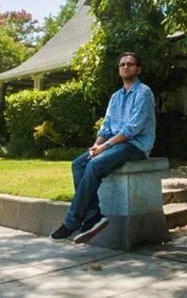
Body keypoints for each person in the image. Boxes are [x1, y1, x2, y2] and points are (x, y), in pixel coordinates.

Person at [50, 51, 156, 244]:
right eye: (122, 64)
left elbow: (131, 130)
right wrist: (96, 145)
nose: (125, 67)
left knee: (95, 165)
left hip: (135, 145)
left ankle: (71, 222)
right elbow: (106, 126)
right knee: (79, 164)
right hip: (114, 144)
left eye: (130, 64)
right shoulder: (116, 97)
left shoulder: (144, 93)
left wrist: (105, 147)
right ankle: (93, 216)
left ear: (138, 69)